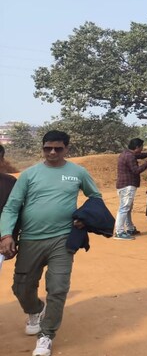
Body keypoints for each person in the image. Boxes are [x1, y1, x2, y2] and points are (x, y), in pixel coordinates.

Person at [0, 130, 103, 356]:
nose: (53, 152)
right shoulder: (30, 174)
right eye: (48, 148)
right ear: (43, 148)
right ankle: (35, 309)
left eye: (58, 148)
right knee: (22, 287)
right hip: (30, 239)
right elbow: (12, 206)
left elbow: (95, 197)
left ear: (67, 148)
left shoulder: (78, 172)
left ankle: (46, 335)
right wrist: (7, 234)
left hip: (62, 239)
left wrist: (84, 218)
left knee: (58, 288)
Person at [114, 138, 147, 240]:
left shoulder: (126, 153)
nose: (141, 149)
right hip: (128, 186)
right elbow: (136, 170)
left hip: (123, 185)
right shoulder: (130, 157)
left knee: (127, 208)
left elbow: (139, 155)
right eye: (141, 147)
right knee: (124, 208)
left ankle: (130, 228)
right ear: (137, 147)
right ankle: (119, 232)